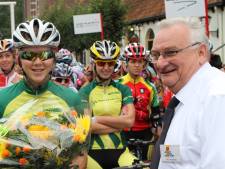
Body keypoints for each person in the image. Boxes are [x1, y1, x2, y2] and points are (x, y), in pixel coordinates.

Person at [0, 18, 88, 169]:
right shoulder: (3, 99)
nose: (37, 62)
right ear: (19, 59)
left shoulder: (71, 98)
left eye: (45, 55)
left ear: (54, 59)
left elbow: (81, 155)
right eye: (29, 55)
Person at [150, 17, 225, 169]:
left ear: (201, 53)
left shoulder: (217, 98)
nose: (160, 63)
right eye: (156, 55)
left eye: (171, 52)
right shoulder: (185, 98)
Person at [79, 40, 136, 169]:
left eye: (110, 63)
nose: (106, 68)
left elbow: (129, 121)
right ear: (94, 63)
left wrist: (97, 119)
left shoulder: (123, 89)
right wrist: (119, 124)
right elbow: (86, 128)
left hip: (121, 150)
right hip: (92, 153)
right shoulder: (85, 91)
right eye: (101, 63)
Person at [119, 43, 161, 161]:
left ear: (144, 63)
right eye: (133, 61)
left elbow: (156, 112)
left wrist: (158, 131)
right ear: (126, 63)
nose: (137, 65)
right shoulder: (118, 85)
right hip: (124, 133)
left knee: (145, 163)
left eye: (140, 61)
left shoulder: (150, 86)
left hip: (144, 133)